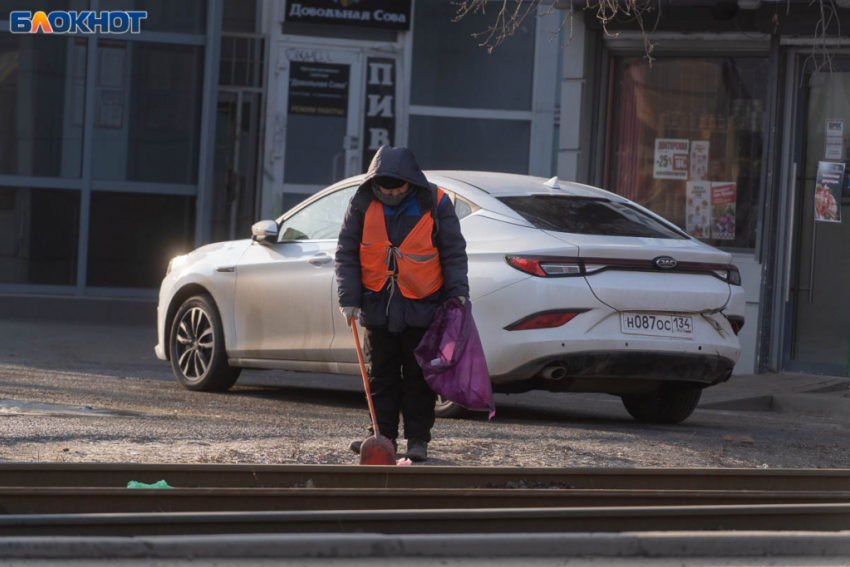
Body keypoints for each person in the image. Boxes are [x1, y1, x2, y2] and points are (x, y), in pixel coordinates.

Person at [335, 146, 469, 462]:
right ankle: (380, 437)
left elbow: (453, 253)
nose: (391, 193)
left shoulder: (434, 202)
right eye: (385, 188)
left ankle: (418, 440)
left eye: (397, 188)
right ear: (375, 184)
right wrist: (349, 300)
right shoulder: (362, 201)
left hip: (423, 305)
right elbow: (347, 252)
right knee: (380, 375)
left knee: (419, 377)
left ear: (410, 182)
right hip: (376, 304)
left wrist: (457, 294)